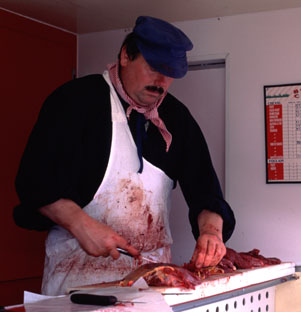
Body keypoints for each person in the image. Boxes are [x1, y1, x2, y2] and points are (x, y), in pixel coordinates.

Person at [13, 16, 235, 296]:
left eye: (170, 74)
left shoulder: (176, 118)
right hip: (76, 283)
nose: (161, 82)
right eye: (154, 67)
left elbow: (205, 190)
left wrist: (211, 232)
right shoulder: (75, 101)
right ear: (126, 55)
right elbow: (34, 182)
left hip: (152, 286)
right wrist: (80, 224)